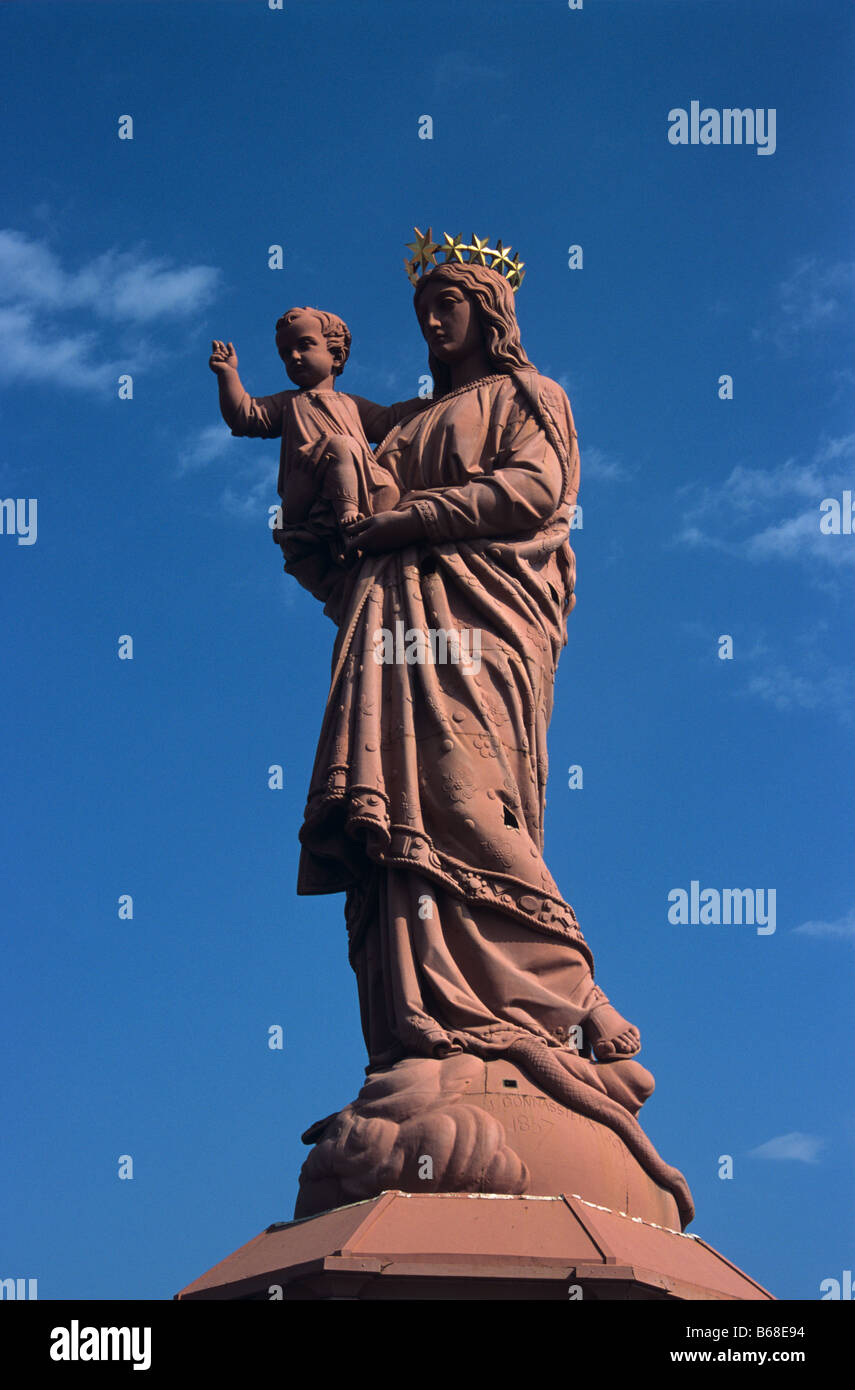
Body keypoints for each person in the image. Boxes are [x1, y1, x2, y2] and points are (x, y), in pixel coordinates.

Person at [277, 256, 650, 1120]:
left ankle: (567, 997)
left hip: (481, 623)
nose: (432, 324)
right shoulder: (403, 422)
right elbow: (334, 505)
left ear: (489, 312)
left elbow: (532, 489)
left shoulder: (530, 395)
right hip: (388, 622)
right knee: (396, 822)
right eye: (422, 310)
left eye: (448, 305)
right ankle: (423, 1030)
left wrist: (404, 518)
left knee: (469, 795)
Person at [209, 307, 413, 556]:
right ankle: (347, 515)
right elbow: (244, 416)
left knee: (388, 487)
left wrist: (438, 396)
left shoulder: (351, 403)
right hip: (309, 487)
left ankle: (362, 544)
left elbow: (390, 420)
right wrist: (228, 374)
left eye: (304, 346)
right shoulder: (289, 402)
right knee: (340, 445)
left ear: (336, 354)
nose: (294, 357)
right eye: (285, 354)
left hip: (361, 486)